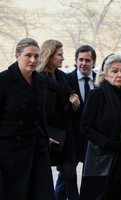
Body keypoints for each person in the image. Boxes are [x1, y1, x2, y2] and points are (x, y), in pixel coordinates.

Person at [79, 54, 121, 200]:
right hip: (102, 157)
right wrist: (108, 143)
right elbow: (85, 127)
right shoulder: (97, 95)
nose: (119, 75)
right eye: (114, 71)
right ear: (105, 74)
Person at [0, 38, 55, 199]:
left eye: (36, 56)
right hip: (10, 153)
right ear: (17, 55)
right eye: (28, 55)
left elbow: (40, 114)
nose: (33, 60)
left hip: (37, 148)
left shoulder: (41, 81)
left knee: (42, 194)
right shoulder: (3, 81)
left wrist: (45, 137)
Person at [37, 39, 80, 199]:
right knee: (43, 179)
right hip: (46, 134)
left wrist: (75, 104)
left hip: (65, 134)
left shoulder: (62, 77)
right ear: (49, 56)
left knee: (70, 175)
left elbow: (68, 104)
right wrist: (43, 135)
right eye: (60, 55)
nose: (63, 58)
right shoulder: (38, 79)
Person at [54, 45, 97, 200]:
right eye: (80, 59)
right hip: (71, 138)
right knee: (66, 179)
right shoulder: (66, 80)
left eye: (87, 60)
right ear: (76, 61)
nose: (83, 63)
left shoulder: (100, 82)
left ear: (94, 62)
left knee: (91, 179)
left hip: (92, 140)